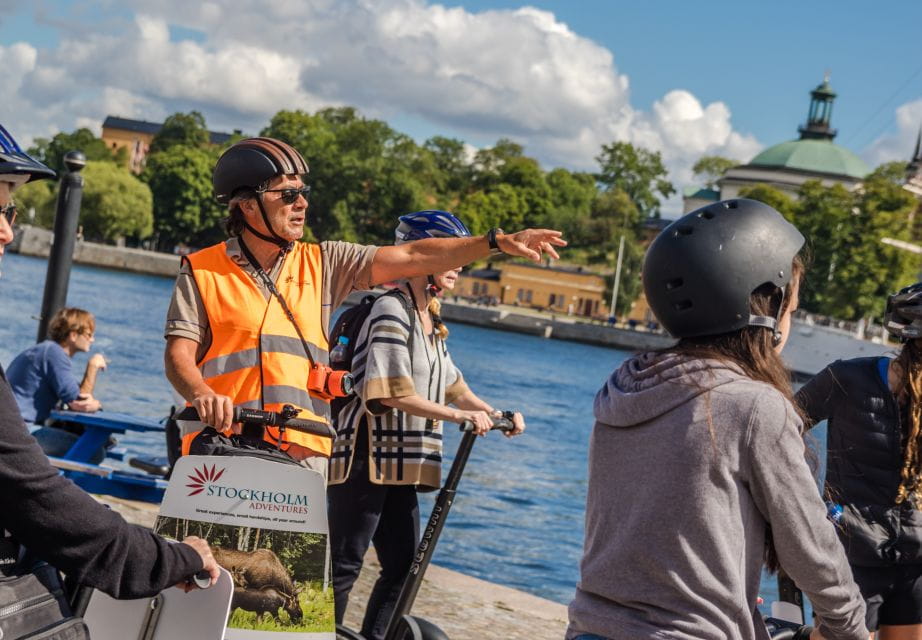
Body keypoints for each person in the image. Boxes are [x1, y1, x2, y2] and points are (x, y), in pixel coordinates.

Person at [163, 137, 563, 472]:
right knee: (204, 548)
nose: (302, 204)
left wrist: (494, 242)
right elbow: (179, 355)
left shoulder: (326, 262)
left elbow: (414, 256)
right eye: (288, 194)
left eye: (303, 193)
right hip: (219, 449)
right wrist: (202, 393)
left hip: (300, 454)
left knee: (293, 551)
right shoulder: (202, 270)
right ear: (248, 204)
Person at [566, 199, 867, 640]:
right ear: (769, 308)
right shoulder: (753, 406)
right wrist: (850, 628)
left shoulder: (624, 387)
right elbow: (811, 549)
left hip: (590, 628)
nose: (791, 318)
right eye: (791, 308)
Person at [0, 124, 219, 602]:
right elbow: (33, 495)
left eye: (9, 211)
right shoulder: (54, 354)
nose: (8, 231)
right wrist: (169, 557)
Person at [327, 211, 527, 639]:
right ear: (423, 258)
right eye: (451, 257)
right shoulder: (390, 309)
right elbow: (388, 393)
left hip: (401, 464)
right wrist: (459, 417)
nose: (459, 266)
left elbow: (453, 385)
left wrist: (496, 414)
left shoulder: (429, 318)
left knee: (403, 566)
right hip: (364, 458)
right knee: (344, 564)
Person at [796, 282, 922, 640]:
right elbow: (777, 432)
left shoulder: (845, 376)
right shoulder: (849, 379)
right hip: (853, 555)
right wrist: (806, 506)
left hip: (914, 560)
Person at [6, 307, 109, 459]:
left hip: (11, 426)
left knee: (88, 446)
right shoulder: (54, 353)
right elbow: (79, 403)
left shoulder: (46, 351)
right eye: (89, 334)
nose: (92, 339)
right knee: (94, 452)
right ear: (73, 335)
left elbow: (75, 395)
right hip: (19, 431)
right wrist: (92, 366)